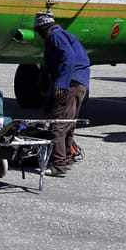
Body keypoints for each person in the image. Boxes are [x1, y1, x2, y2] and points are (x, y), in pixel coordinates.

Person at [33, 11, 90, 177]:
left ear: (43, 29)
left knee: (57, 126)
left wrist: (62, 84)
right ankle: (67, 158)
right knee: (68, 124)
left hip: (71, 85)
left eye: (38, 32)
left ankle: (58, 165)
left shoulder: (55, 36)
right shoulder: (65, 35)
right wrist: (47, 105)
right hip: (79, 86)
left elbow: (68, 58)